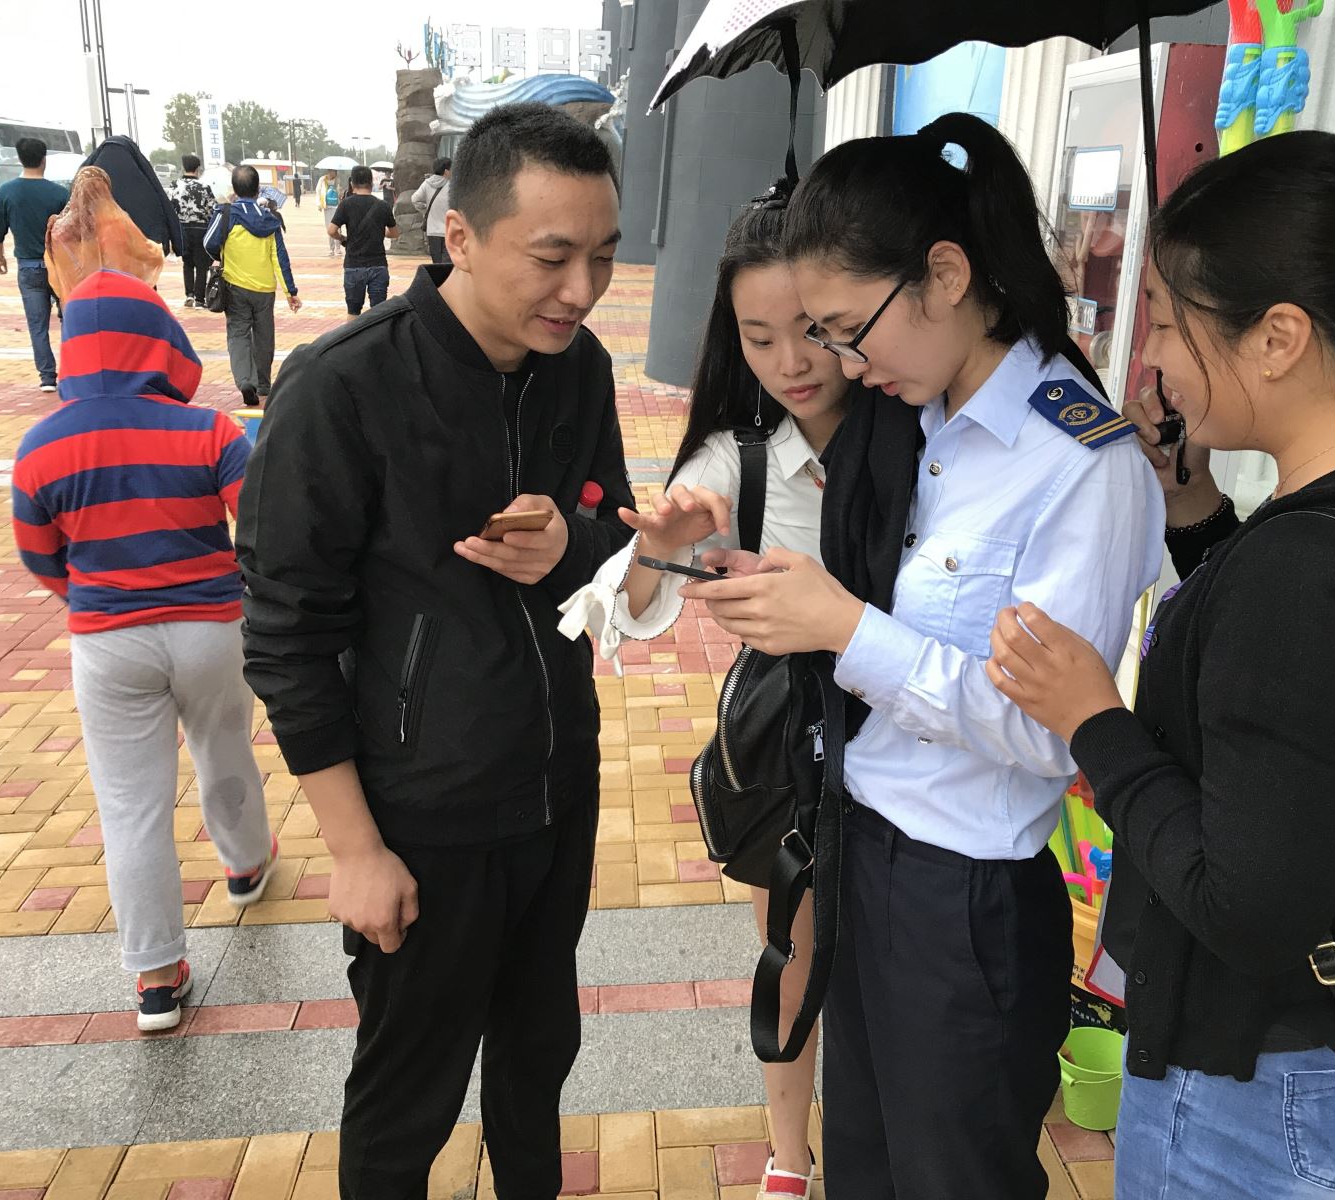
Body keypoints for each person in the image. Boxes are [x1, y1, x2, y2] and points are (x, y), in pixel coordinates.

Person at [985, 131, 1335, 1199]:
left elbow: (1248, 906)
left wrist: (1092, 720)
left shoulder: (1307, 572)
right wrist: (1196, 512)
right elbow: (1315, 703)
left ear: (1279, 337)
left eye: (1164, 319)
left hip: (1242, 1084)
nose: (1150, 359)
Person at [678, 113, 1165, 1199]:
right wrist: (766, 585)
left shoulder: (1077, 465)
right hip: (862, 854)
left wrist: (846, 629)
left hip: (965, 903)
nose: (844, 363)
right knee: (865, 1167)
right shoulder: (913, 424)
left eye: (850, 330)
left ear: (945, 275)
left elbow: (1050, 734)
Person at [236, 102, 633, 1200]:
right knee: (406, 1097)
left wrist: (568, 547)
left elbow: (612, 535)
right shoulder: (342, 387)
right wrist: (355, 849)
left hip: (555, 790)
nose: (582, 289)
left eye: (603, 256)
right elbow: (285, 636)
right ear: (458, 236)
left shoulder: (580, 368)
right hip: (421, 818)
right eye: (552, 257)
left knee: (537, 1064)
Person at [558, 179, 848, 1199]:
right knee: (791, 950)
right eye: (759, 338)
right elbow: (623, 606)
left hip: (917, 731)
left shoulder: (920, 433)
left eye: (813, 329)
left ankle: (877, 1130)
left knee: (893, 955)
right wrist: (661, 549)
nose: (790, 362)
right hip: (797, 741)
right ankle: (788, 1154)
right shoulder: (739, 460)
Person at [10, 268, 277, 1032]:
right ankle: (245, 865)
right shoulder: (209, 431)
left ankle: (157, 976)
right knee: (224, 749)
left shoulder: (39, 447)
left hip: (108, 641)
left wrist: (89, 597)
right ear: (162, 341)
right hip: (210, 629)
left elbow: (38, 554)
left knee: (131, 804)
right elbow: (259, 524)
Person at [205, 165, 301, 408]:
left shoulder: (226, 214)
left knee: (238, 333)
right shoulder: (270, 219)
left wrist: (222, 255)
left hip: (235, 287)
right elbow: (280, 259)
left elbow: (208, 243)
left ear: (234, 189)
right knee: (264, 335)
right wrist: (290, 292)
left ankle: (245, 381)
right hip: (265, 290)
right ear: (258, 188)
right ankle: (263, 384)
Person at [0, 137, 69, 392]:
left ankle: (47, 377)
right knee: (69, 320)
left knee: (38, 324)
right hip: (58, 266)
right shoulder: (59, 193)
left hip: (28, 267)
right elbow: (71, 231)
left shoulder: (7, 192)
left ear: (19, 159)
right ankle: (72, 370)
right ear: (44, 159)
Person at [329, 165, 399, 317]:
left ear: (352, 183)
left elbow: (331, 230)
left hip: (354, 266)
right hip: (378, 265)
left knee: (353, 313)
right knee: (378, 313)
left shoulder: (346, 204)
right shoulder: (383, 206)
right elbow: (394, 233)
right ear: (371, 183)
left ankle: (354, 333)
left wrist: (343, 239)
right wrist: (379, 231)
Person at [169, 153, 217, 309]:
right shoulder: (204, 187)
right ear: (197, 169)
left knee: (187, 263)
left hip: (182, 229)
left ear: (183, 167)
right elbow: (212, 209)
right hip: (201, 229)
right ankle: (199, 299)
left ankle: (189, 294)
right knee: (202, 265)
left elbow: (170, 208)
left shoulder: (175, 186)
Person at [413, 157, 453, 264]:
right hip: (448, 231)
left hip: (432, 232)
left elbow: (415, 199)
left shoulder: (427, 184)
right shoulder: (451, 186)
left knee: (437, 264)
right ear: (446, 171)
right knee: (448, 264)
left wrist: (426, 210)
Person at [320, 171, 343, 257]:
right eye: (332, 171)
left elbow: (341, 195)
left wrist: (339, 191)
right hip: (327, 207)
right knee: (329, 228)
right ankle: (331, 248)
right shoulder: (323, 180)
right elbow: (319, 191)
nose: (334, 173)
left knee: (337, 228)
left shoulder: (338, 180)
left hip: (337, 207)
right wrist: (319, 204)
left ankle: (338, 248)